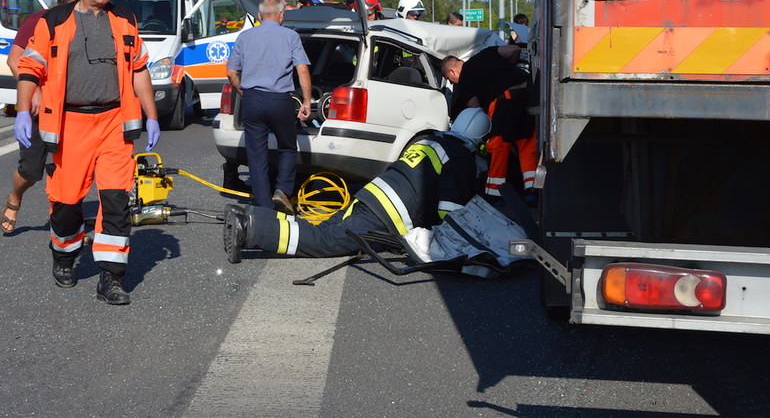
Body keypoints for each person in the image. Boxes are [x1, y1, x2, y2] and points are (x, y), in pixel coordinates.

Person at [15, 0, 161, 305]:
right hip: (70, 123)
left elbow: (139, 69)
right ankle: (64, 256)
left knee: (115, 201)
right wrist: (23, 110)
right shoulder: (52, 21)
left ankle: (111, 278)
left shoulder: (125, 20)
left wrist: (151, 113)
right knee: (66, 202)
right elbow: (29, 68)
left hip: (113, 123)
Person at [222, 108, 491, 262]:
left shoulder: (431, 140)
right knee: (325, 241)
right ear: (479, 140)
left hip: (371, 195)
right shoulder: (460, 157)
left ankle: (250, 215)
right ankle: (249, 229)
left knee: (321, 227)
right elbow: (450, 212)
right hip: (388, 214)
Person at [0, 0, 80, 234]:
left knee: (68, 169)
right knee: (31, 171)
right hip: (39, 109)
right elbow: (15, 60)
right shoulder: (38, 20)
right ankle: (15, 197)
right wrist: (34, 91)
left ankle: (64, 224)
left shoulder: (89, 23)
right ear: (65, 4)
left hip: (73, 109)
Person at [226, 0, 311, 215]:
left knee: (256, 154)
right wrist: (307, 101)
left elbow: (231, 72)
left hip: (253, 100)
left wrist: (242, 91)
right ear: (282, 16)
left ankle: (263, 208)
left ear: (259, 16)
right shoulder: (291, 36)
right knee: (287, 147)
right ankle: (282, 190)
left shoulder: (245, 37)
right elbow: (302, 70)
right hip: (280, 100)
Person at [441, 46, 536, 204]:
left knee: (499, 145)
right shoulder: (485, 53)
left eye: (451, 80)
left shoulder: (464, 81)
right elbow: (514, 50)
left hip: (504, 100)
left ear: (452, 72)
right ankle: (532, 191)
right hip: (527, 94)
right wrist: (507, 69)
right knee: (526, 141)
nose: (453, 82)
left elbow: (477, 111)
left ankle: (494, 193)